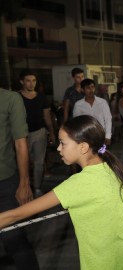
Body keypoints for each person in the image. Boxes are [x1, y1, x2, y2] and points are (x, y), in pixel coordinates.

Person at [0, 115, 123, 270]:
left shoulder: (78, 184)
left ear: (83, 147)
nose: (59, 148)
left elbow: (15, 215)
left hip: (116, 259)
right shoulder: (108, 165)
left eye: (63, 143)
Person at [0, 88, 40, 270]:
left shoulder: (10, 99)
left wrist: (24, 183)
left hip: (5, 181)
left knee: (13, 237)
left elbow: (20, 142)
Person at [18, 69, 56, 197]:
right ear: (22, 82)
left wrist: (51, 132)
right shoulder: (16, 97)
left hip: (39, 132)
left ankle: (38, 187)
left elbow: (46, 116)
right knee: (23, 162)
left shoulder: (41, 97)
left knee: (39, 163)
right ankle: (24, 187)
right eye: (28, 81)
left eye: (33, 80)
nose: (31, 83)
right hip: (22, 135)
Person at [73, 78, 112, 145]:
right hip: (86, 136)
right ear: (82, 90)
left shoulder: (102, 102)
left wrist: (108, 136)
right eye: (88, 88)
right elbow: (77, 123)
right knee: (89, 155)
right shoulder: (78, 105)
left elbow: (108, 119)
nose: (91, 90)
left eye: (92, 87)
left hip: (101, 135)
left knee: (101, 154)